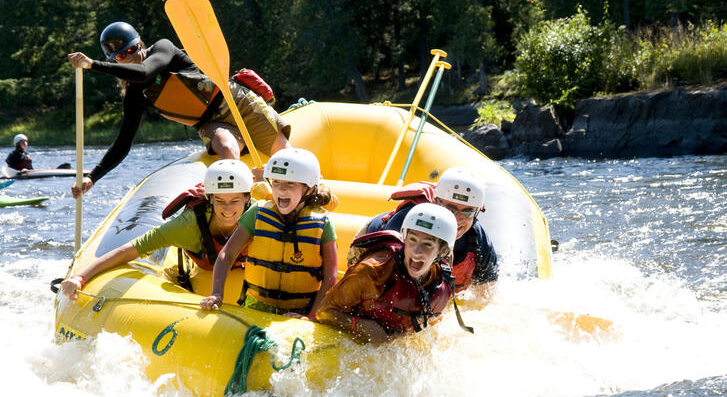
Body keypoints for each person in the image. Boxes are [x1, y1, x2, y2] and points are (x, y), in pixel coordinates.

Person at [66, 21, 291, 198]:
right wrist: (92, 177)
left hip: (237, 101)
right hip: (211, 123)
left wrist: (93, 65)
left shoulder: (164, 48)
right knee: (226, 146)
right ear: (115, 60)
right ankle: (245, 199)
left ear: (140, 43)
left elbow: (145, 72)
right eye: (123, 55)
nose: (132, 56)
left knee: (285, 157)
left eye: (134, 48)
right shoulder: (135, 96)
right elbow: (123, 144)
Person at [60, 159, 254, 300]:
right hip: (206, 271)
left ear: (247, 199)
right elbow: (132, 248)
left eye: (235, 201)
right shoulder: (190, 225)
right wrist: (80, 277)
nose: (228, 210)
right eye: (220, 201)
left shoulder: (259, 216)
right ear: (210, 199)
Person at [200, 148, 338, 319]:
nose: (281, 190)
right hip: (256, 306)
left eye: (290, 184)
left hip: (299, 312)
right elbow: (227, 254)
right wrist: (217, 293)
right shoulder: (257, 214)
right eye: (276, 182)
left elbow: (331, 277)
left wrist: (312, 316)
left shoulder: (323, 224)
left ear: (308, 189)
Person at [316, 203, 458, 344]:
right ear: (404, 238)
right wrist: (362, 326)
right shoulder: (372, 271)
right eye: (412, 240)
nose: (416, 251)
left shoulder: (440, 280)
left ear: (443, 251)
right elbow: (323, 311)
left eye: (427, 244)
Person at [358, 167, 498, 294]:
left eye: (467, 212)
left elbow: (488, 293)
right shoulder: (406, 224)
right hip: (374, 242)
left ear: (476, 212)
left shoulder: (477, 238)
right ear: (436, 202)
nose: (458, 220)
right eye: (450, 209)